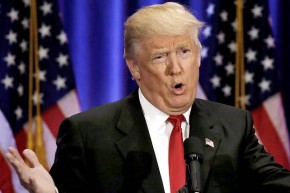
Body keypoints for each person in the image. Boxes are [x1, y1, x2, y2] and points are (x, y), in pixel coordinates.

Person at [5, 2, 290, 193]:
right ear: (135, 67)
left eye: (184, 52)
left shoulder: (233, 125)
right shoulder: (88, 134)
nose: (175, 68)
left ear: (199, 57)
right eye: (160, 56)